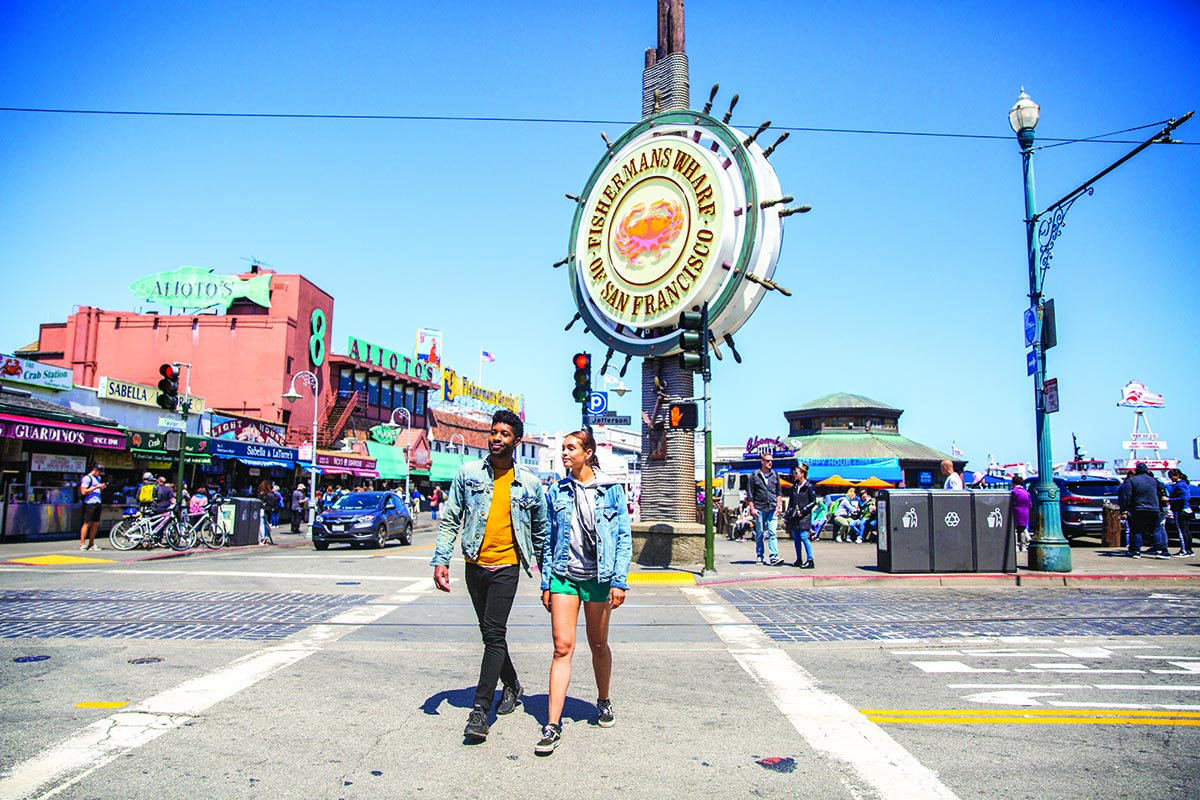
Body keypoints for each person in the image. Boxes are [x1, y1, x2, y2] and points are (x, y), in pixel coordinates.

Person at [431, 409, 548, 743]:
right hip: (474, 564)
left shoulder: (529, 482)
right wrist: (441, 561)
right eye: (494, 432)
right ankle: (511, 683)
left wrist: (546, 579)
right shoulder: (468, 473)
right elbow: (451, 518)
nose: (497, 438)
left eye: (505, 434)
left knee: (494, 632)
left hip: (506, 567)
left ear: (517, 440)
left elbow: (540, 533)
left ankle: (480, 709)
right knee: (490, 634)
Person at [536, 429, 631, 755]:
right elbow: (549, 539)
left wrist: (619, 580)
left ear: (588, 452)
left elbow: (622, 537)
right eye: (563, 448)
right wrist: (546, 581)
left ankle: (603, 699)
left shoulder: (611, 490)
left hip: (600, 578)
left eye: (571, 448)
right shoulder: (556, 491)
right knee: (562, 647)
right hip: (565, 576)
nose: (564, 453)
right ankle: (552, 724)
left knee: (599, 643)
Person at [1119, 462, 1163, 559]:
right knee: (1155, 530)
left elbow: (1127, 496)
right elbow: (1162, 491)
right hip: (1154, 508)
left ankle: (1136, 551)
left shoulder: (1131, 481)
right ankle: (1159, 550)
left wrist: (1124, 509)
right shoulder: (1154, 481)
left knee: (1137, 530)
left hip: (1138, 509)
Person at [748, 452, 783, 566]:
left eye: (771, 461)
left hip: (772, 507)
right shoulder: (754, 475)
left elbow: (779, 492)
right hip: (760, 507)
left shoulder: (775, 475)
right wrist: (752, 508)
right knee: (760, 533)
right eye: (767, 461)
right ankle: (760, 555)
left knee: (773, 532)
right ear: (762, 462)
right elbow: (750, 494)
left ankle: (774, 557)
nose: (770, 463)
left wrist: (778, 506)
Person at [784, 464, 817, 568]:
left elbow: (813, 501)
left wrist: (803, 510)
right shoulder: (795, 486)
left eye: (797, 473)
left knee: (804, 537)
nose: (795, 475)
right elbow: (791, 501)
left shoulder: (809, 486)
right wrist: (787, 515)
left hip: (804, 516)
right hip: (795, 515)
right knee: (796, 538)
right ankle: (799, 559)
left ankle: (810, 560)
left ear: (802, 474)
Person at [78, 463, 106, 550]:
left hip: (97, 501)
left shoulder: (98, 478)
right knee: (87, 523)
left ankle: (91, 543)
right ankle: (82, 544)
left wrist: (101, 488)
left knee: (95, 523)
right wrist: (95, 487)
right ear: (95, 470)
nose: (100, 474)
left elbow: (98, 491)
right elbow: (83, 491)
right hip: (90, 503)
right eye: (99, 472)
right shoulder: (87, 478)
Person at [1168, 468, 1193, 558]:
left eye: (1172, 476)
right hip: (1186, 510)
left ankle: (1184, 550)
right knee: (1186, 531)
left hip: (1181, 510)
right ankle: (1189, 549)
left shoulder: (1180, 485)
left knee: (1182, 531)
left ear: (1177, 476)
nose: (1171, 478)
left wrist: (1170, 499)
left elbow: (1184, 498)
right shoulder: (1184, 484)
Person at [1011, 474, 1033, 552]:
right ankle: (1023, 546)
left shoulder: (1014, 492)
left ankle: (1016, 546)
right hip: (1025, 512)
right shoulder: (1026, 493)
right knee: (1022, 529)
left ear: (1014, 483)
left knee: (1015, 531)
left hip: (1016, 512)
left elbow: (1011, 502)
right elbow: (1030, 504)